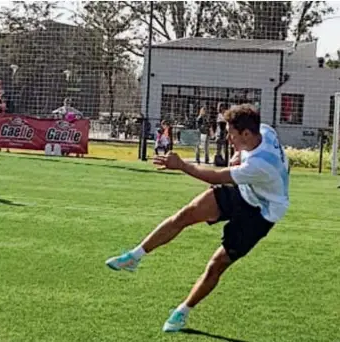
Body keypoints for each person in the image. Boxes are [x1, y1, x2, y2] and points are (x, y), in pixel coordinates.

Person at [105, 104, 289, 333]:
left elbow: (213, 175)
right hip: (246, 191)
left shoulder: (260, 165)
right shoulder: (264, 130)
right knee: (187, 213)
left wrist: (182, 165)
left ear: (246, 134)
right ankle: (134, 256)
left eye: (231, 136)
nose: (228, 139)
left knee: (216, 265)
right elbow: (243, 153)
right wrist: (237, 154)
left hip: (261, 214)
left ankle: (183, 311)